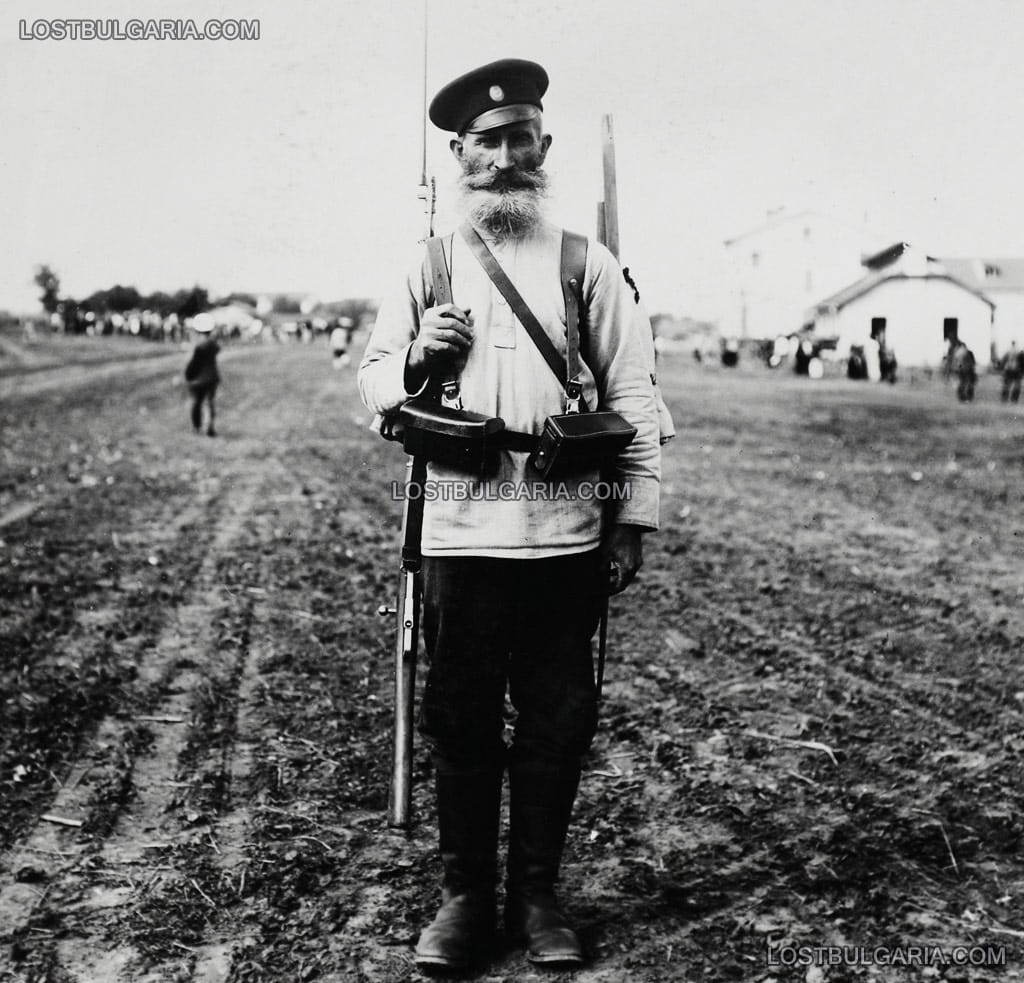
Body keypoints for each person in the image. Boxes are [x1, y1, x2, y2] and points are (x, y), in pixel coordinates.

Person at [358, 58, 660, 972]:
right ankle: (462, 900)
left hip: (566, 532)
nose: (504, 153)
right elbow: (371, 385)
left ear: (543, 144)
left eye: (519, 134)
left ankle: (536, 895)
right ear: (459, 154)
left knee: (558, 718)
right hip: (459, 530)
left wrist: (633, 519)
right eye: (485, 141)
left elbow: (636, 393)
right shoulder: (431, 262)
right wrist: (418, 353)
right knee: (461, 718)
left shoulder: (588, 264)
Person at [184, 313, 221, 435]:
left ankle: (197, 426)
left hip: (199, 379)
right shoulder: (213, 345)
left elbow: (194, 364)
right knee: (209, 402)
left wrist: (188, 376)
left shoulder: (199, 346)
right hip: (213, 377)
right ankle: (209, 425)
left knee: (197, 402)